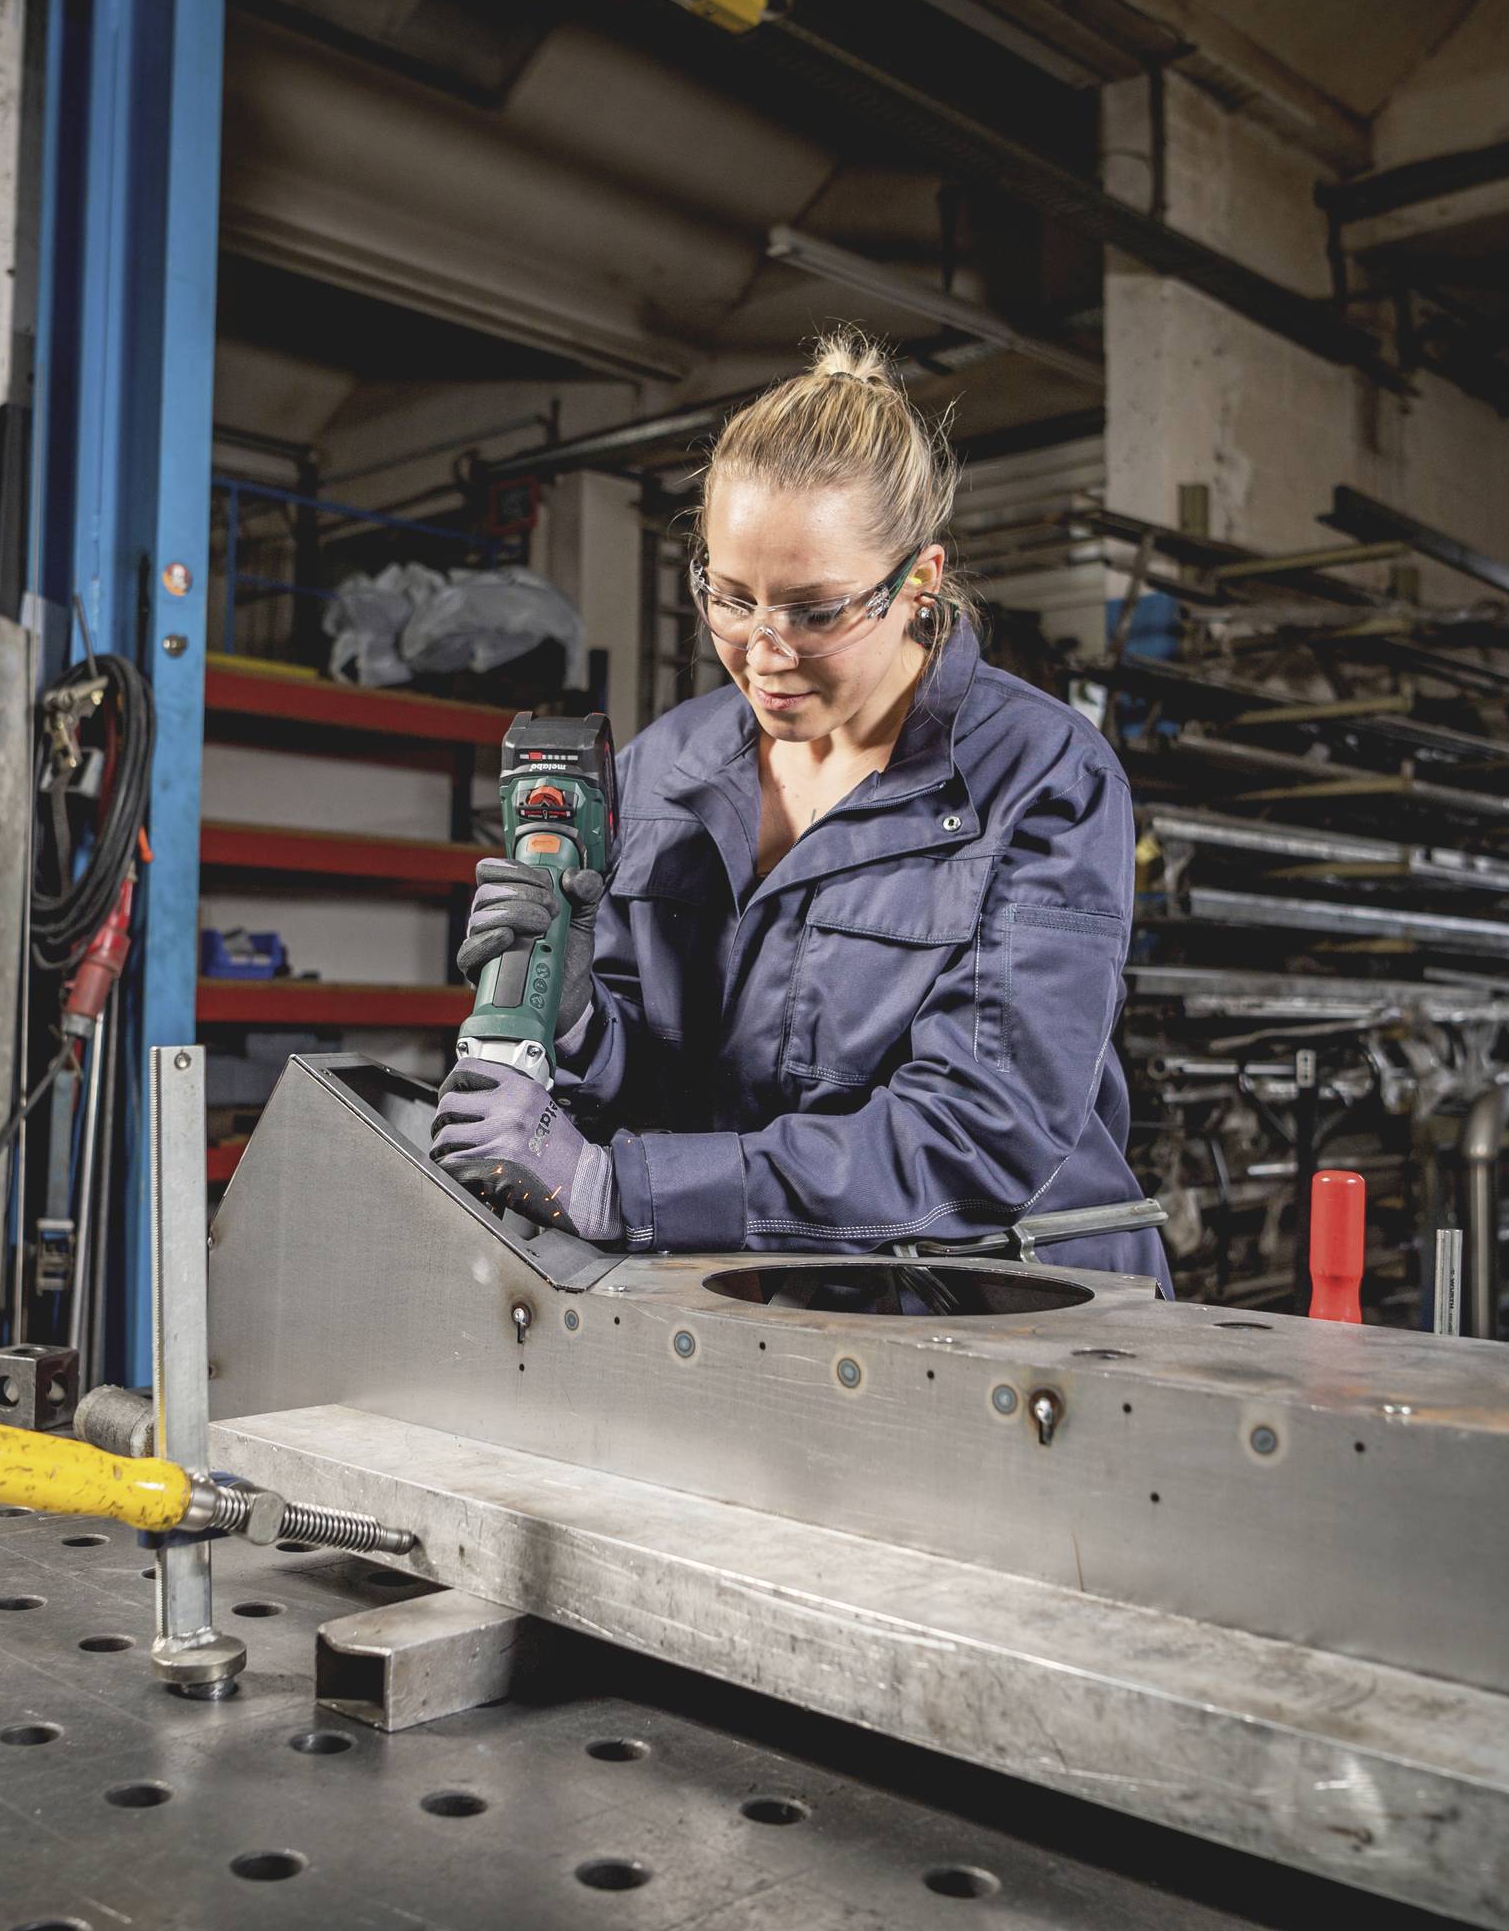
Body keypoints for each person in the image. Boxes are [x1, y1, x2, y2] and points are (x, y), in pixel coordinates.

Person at [430, 328, 1167, 1288]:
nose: (763, 651)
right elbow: (675, 1083)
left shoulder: (1044, 779)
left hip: (1005, 1313)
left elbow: (980, 1135)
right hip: (747, 1294)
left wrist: (626, 1192)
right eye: (729, 598)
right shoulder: (666, 768)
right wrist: (576, 1021)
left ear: (920, 582)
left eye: (816, 612)